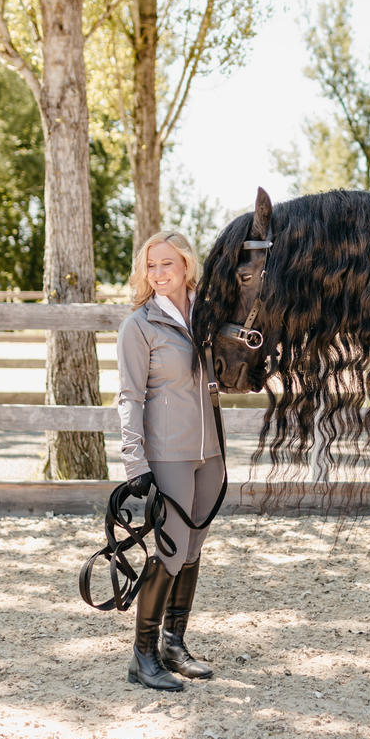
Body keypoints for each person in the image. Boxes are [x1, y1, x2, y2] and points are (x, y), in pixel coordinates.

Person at [117, 231, 225, 691]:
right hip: (169, 454)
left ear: (186, 266)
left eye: (167, 264)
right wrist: (134, 462)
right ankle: (142, 656)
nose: (158, 273)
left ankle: (173, 644)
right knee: (170, 550)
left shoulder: (210, 314)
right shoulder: (139, 326)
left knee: (193, 549)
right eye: (151, 265)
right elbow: (129, 396)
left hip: (211, 454)